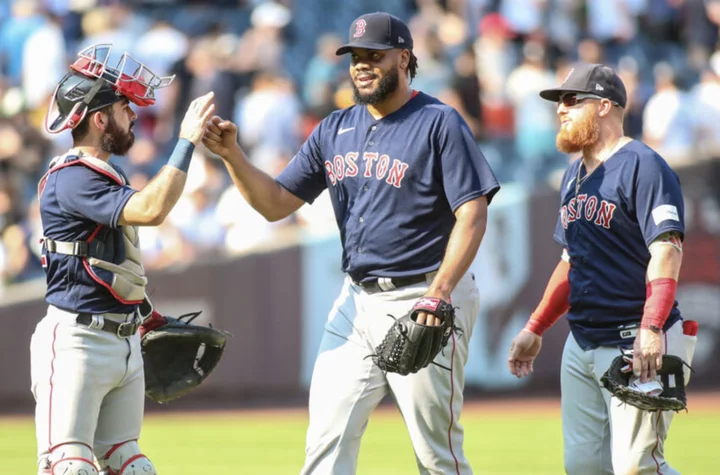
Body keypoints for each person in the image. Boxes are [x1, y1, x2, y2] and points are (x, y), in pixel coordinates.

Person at [203, 11, 499, 475]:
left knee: (435, 455)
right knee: (325, 441)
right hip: (356, 301)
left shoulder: (439, 122)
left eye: (373, 56)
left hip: (423, 294)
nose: (361, 65)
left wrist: (439, 293)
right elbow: (276, 203)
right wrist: (232, 156)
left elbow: (473, 213)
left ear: (404, 58)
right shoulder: (334, 128)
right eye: (355, 56)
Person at [31, 44, 215, 475]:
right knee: (70, 466)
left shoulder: (103, 175)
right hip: (78, 341)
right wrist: (186, 141)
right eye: (124, 107)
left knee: (130, 466)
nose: (133, 116)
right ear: (99, 119)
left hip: (122, 340)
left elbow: (113, 265)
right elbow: (151, 211)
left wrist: (145, 314)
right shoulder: (72, 177)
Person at [506, 63, 698, 474]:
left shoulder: (643, 165)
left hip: (638, 340)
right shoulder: (572, 176)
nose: (561, 109)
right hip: (583, 342)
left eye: (572, 100)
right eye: (559, 101)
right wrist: (535, 327)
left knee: (637, 467)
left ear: (605, 105)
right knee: (584, 467)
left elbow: (667, 251)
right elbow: (570, 263)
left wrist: (651, 326)